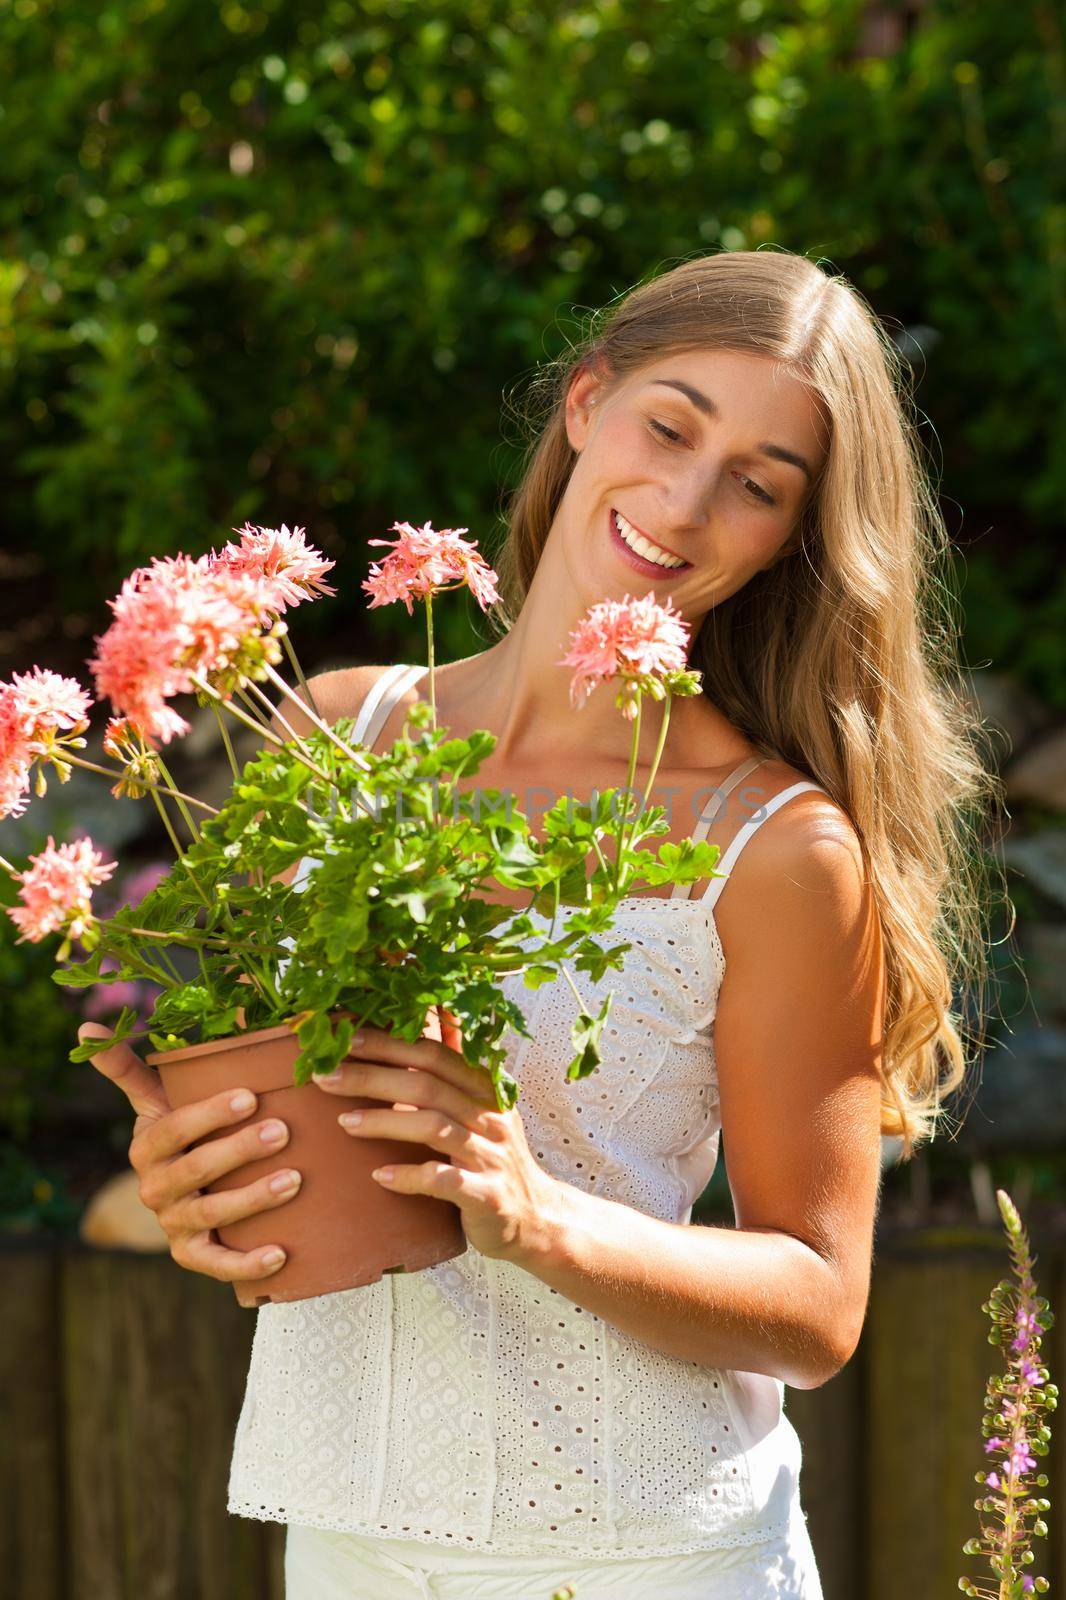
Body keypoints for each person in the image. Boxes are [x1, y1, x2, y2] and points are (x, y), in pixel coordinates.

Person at [83, 248, 999, 1598]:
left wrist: (535, 1216)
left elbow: (817, 1306)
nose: (684, 502)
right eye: (668, 425)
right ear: (585, 405)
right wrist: (196, 1182)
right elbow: (289, 1114)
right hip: (342, 1541)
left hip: (649, 1556)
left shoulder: (776, 847)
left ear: (790, 538)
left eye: (755, 484)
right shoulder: (340, 735)